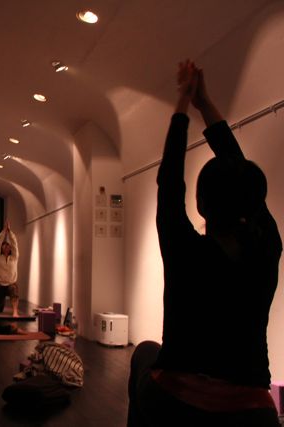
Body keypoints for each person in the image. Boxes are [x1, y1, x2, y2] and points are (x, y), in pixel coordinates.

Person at [127, 60, 281, 427]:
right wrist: (205, 105)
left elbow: (169, 182)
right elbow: (240, 176)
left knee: (144, 352)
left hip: (176, 405)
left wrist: (185, 101)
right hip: (252, 415)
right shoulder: (267, 250)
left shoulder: (184, 250)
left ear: (199, 204)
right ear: (254, 202)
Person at [0, 220, 20, 317]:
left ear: (10, 248)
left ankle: (15, 311)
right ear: (2, 247)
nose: (6, 246)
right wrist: (4, 232)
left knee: (14, 289)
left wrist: (10, 233)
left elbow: (15, 244)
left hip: (10, 284)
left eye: (8, 245)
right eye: (4, 245)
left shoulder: (14, 257)